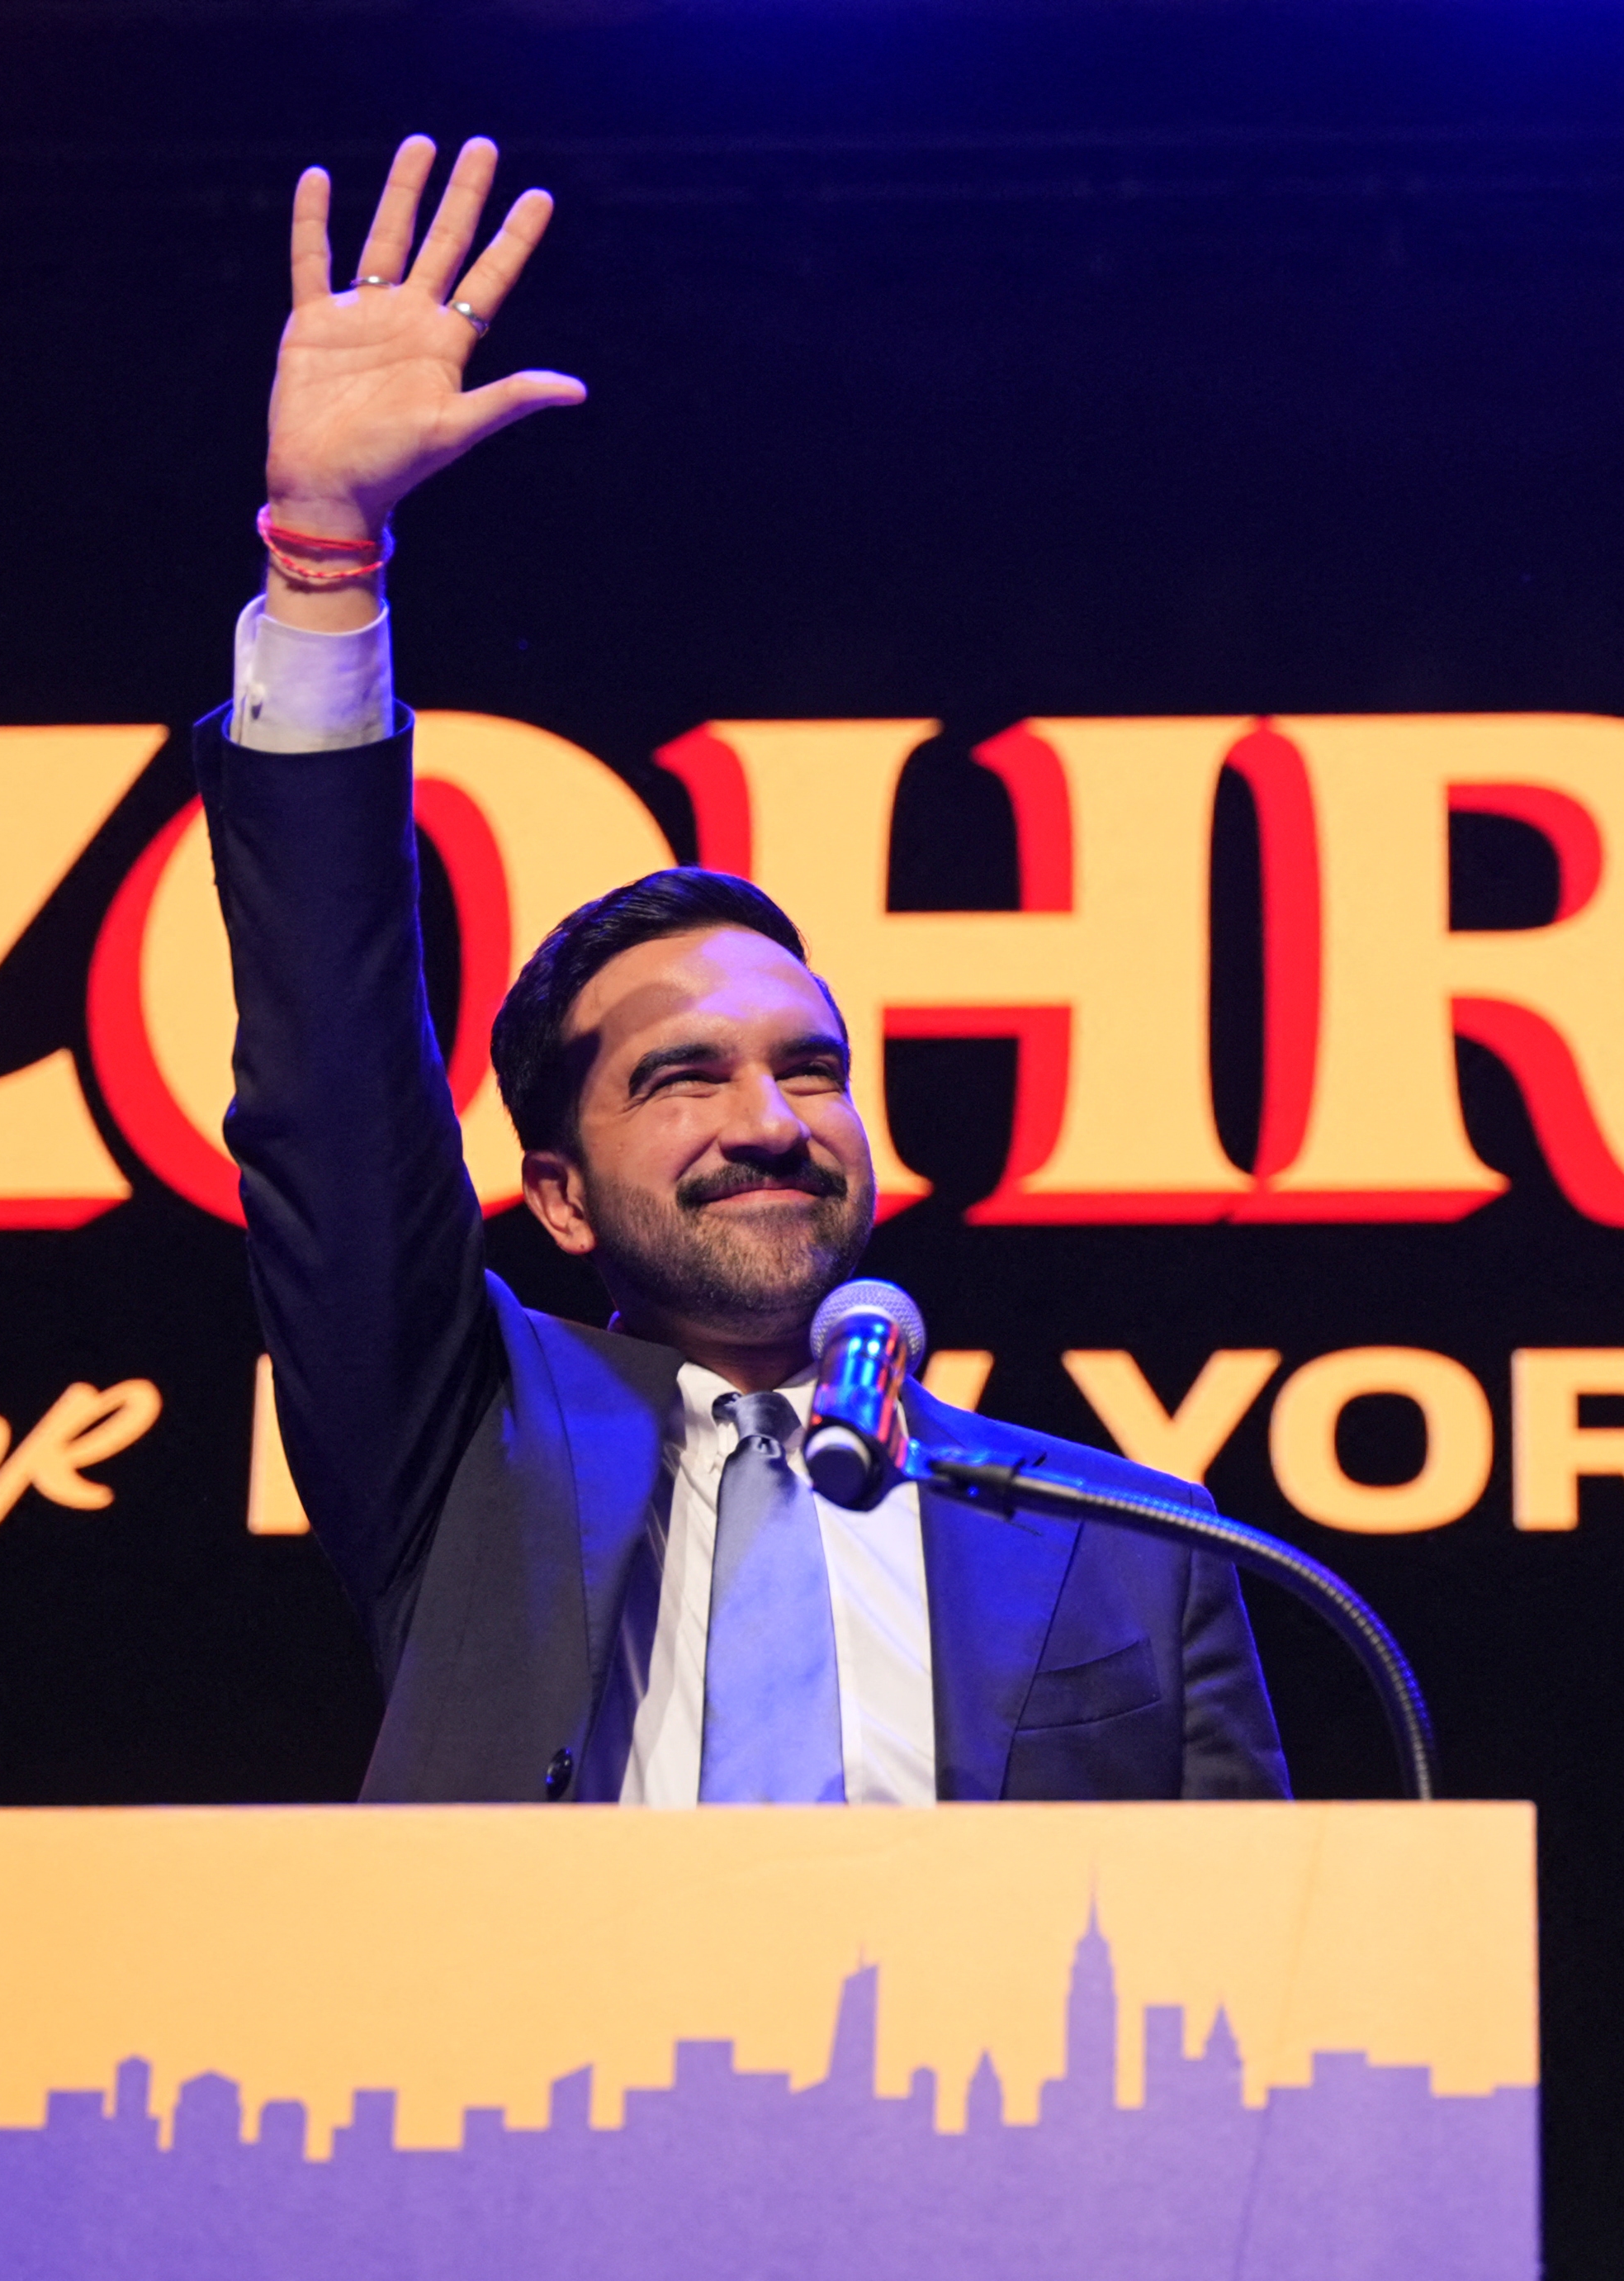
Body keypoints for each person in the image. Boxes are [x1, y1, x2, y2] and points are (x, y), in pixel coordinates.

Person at [205, 135, 1289, 1806]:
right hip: (545, 2075)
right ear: (557, 1199)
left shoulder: (1127, 1542)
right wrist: (326, 560)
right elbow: (331, 1092)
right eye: (683, 1076)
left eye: (808, 1067)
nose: (771, 1118)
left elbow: (1243, 1995)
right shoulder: (472, 1447)